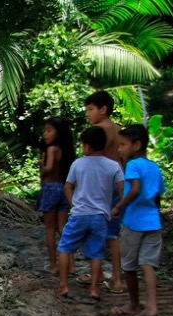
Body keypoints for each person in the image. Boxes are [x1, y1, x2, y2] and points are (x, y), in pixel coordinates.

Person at [58, 126, 123, 302]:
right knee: (96, 252)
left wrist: (73, 204)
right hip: (100, 216)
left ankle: (64, 285)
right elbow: (122, 188)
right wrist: (117, 207)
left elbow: (68, 186)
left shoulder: (78, 163)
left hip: (79, 214)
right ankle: (94, 289)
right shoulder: (113, 166)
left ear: (86, 146)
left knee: (65, 247)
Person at [110, 124, 166, 316]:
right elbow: (158, 196)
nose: (119, 149)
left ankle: (134, 304)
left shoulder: (133, 165)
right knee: (148, 264)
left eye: (123, 145)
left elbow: (135, 189)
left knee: (129, 266)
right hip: (153, 222)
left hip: (134, 222)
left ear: (136, 145)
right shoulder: (154, 167)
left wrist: (118, 207)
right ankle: (152, 306)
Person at [82, 90, 125, 293]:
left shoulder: (99, 131)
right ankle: (115, 278)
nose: (87, 114)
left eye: (90, 109)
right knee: (113, 234)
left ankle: (101, 275)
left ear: (103, 109)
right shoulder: (119, 130)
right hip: (118, 183)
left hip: (101, 187)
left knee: (96, 231)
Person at [36, 117, 76, 275]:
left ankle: (53, 265)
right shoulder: (66, 151)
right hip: (63, 188)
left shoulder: (52, 149)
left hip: (50, 189)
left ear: (58, 133)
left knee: (49, 229)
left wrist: (42, 166)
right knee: (63, 228)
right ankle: (71, 265)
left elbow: (49, 168)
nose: (45, 134)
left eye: (49, 130)